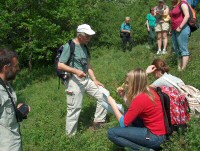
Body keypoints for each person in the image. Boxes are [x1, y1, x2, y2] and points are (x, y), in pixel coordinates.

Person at [58, 24, 108, 136]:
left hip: (86, 79)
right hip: (74, 81)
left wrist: (95, 79)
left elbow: (88, 65)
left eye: (90, 36)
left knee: (103, 95)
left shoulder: (85, 47)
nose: (90, 38)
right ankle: (70, 137)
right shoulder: (69, 46)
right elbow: (60, 65)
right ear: (80, 35)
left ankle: (98, 123)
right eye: (87, 36)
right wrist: (76, 71)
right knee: (75, 108)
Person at [107, 68, 167, 150]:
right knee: (127, 114)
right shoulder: (149, 91)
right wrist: (123, 96)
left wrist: (112, 103)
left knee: (112, 133)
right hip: (162, 133)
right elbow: (133, 108)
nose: (126, 85)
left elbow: (123, 124)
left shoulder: (140, 99)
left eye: (128, 83)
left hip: (155, 137)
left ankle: (144, 149)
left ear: (135, 84)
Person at [0, 49, 30, 151]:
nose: (18, 69)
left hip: (14, 143)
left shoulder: (6, 85)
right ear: (6, 68)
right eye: (16, 66)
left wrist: (16, 110)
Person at [170, 0, 191, 71]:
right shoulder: (174, 6)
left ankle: (183, 69)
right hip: (174, 30)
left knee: (183, 49)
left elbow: (187, 15)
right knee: (176, 49)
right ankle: (179, 67)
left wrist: (180, 27)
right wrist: (171, 30)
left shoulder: (182, 3)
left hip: (182, 29)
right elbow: (173, 19)